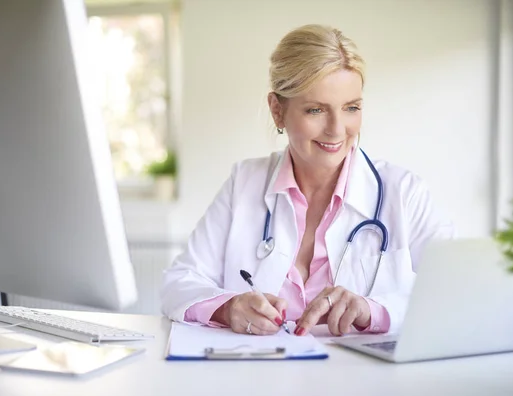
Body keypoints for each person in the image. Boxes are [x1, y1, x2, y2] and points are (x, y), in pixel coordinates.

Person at [161, 24, 454, 337]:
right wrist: (228, 307)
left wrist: (373, 310)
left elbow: (455, 294)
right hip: (260, 378)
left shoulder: (403, 192)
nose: (337, 129)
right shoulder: (244, 182)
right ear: (278, 111)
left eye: (351, 108)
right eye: (316, 110)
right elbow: (178, 282)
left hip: (367, 382)